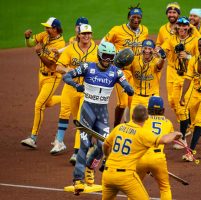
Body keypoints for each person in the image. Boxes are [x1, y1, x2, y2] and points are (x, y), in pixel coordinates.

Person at [63, 41, 134, 195]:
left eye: (111, 57)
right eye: (105, 56)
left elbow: (126, 84)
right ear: (100, 55)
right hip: (88, 111)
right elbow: (67, 76)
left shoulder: (116, 72)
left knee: (104, 146)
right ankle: (77, 180)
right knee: (84, 144)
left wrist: (128, 88)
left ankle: (90, 166)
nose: (108, 60)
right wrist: (76, 86)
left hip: (102, 113)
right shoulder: (88, 67)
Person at [101, 105, 182, 200]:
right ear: (146, 118)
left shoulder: (119, 128)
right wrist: (175, 133)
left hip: (108, 175)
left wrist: (107, 156)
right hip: (126, 177)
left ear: (132, 116)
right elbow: (164, 140)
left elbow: (105, 145)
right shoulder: (142, 134)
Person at [50, 24, 98, 166]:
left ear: (91, 34)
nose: (86, 36)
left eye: (88, 33)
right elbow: (58, 67)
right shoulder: (71, 49)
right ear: (78, 35)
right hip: (71, 88)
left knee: (82, 120)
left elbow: (103, 67)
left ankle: (77, 152)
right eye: (83, 33)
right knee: (77, 121)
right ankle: (89, 145)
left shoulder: (96, 50)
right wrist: (69, 70)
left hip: (87, 90)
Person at [21, 17, 65, 148]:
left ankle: (33, 138)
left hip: (52, 78)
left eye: (48, 27)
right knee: (48, 102)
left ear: (55, 29)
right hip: (41, 75)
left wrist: (40, 53)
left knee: (39, 105)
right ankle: (66, 98)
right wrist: (27, 38)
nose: (45, 29)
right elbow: (30, 44)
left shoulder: (60, 45)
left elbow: (51, 64)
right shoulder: (44, 35)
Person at [102, 4, 148, 127]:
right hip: (120, 71)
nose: (136, 20)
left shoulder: (144, 31)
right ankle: (116, 126)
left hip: (135, 72)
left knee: (132, 102)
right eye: (134, 17)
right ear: (129, 17)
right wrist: (112, 56)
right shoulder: (117, 30)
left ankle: (128, 125)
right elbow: (103, 43)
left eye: (139, 17)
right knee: (122, 103)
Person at [160, 17, 199, 148]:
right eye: (180, 25)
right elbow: (164, 49)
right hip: (175, 74)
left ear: (189, 27)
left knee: (183, 106)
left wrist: (188, 57)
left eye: (185, 25)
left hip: (188, 76)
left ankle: (183, 136)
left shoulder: (195, 40)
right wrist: (159, 52)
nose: (182, 28)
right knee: (172, 102)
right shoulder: (172, 39)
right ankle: (189, 126)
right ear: (177, 27)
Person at [136, 96, 174, 200]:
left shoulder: (140, 121)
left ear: (147, 109)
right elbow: (168, 140)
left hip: (141, 158)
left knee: (135, 187)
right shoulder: (168, 123)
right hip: (158, 159)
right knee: (165, 188)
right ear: (163, 110)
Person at [126, 39, 166, 118]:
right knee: (133, 121)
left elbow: (159, 66)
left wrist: (163, 58)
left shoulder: (156, 61)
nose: (147, 51)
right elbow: (123, 67)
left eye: (149, 49)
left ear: (154, 50)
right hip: (136, 97)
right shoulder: (134, 60)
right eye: (145, 48)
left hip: (152, 99)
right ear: (141, 49)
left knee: (150, 123)